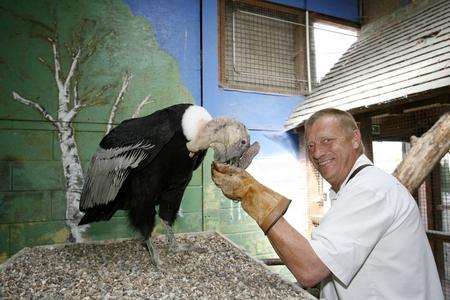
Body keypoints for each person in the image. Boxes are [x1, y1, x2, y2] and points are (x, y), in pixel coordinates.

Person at [211, 108, 443, 299]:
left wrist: (252, 194)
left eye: (327, 141)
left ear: (355, 140)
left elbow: (310, 268)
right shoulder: (354, 188)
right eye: (311, 145)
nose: (317, 152)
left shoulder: (370, 189)